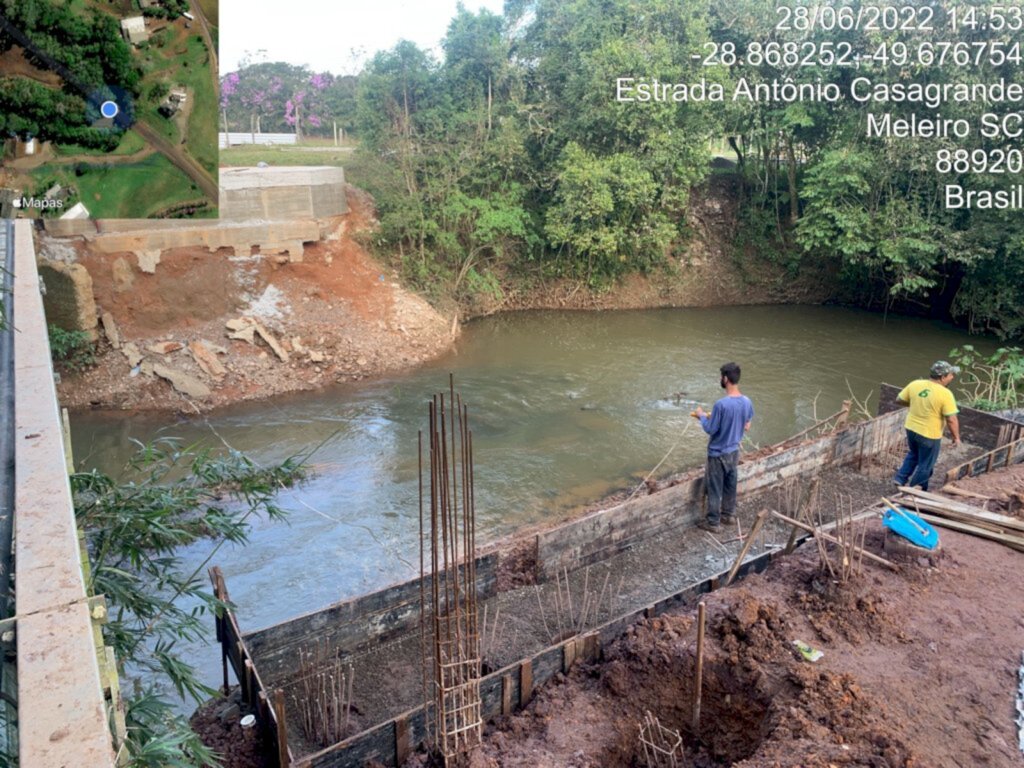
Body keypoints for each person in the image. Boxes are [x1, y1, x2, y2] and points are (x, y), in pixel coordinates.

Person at [693, 362, 754, 533]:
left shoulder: (721, 405)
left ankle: (713, 522)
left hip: (718, 453)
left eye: (721, 377)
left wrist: (702, 417)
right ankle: (729, 515)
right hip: (734, 451)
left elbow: (710, 429)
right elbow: (747, 425)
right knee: (730, 484)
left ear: (726, 379)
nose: (720, 379)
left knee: (715, 487)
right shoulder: (747, 401)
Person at [894, 360, 962, 491]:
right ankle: (915, 490)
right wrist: (956, 437)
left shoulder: (915, 384)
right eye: (950, 375)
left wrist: (914, 404)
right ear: (943, 377)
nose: (952, 377)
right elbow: (951, 419)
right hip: (929, 434)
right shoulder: (945, 394)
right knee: (926, 464)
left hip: (911, 428)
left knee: (914, 453)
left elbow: (899, 399)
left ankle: (900, 478)